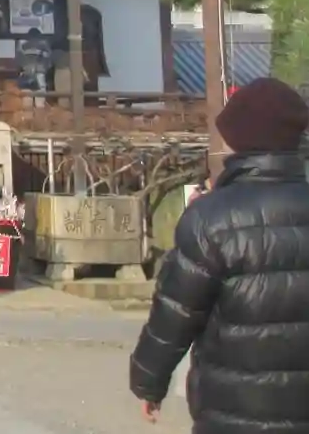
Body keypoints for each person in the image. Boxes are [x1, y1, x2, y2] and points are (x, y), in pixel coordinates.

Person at [129, 77, 309, 430]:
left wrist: (149, 381)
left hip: (231, 410)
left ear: (242, 140)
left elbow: (176, 313)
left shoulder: (210, 218)